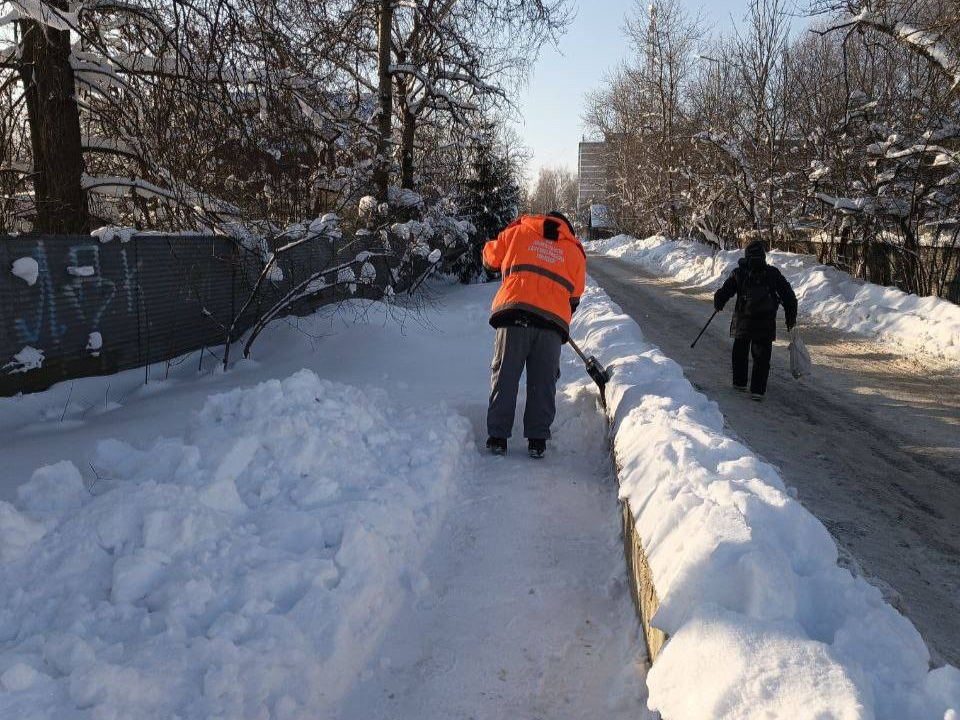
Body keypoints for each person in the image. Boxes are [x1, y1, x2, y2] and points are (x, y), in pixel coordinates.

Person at [481, 211, 586, 458]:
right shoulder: (575, 251)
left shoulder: (517, 231)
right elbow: (575, 295)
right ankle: (537, 440)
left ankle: (497, 437)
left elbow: (489, 260)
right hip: (551, 323)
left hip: (513, 313)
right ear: (566, 228)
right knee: (543, 380)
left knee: (505, 375)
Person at [713, 240, 798, 401]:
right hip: (765, 324)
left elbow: (725, 292)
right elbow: (789, 297)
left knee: (740, 354)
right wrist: (790, 318)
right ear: (763, 256)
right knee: (762, 359)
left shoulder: (740, 273)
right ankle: (758, 391)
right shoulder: (773, 273)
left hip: (743, 322)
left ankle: (739, 383)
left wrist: (718, 304)